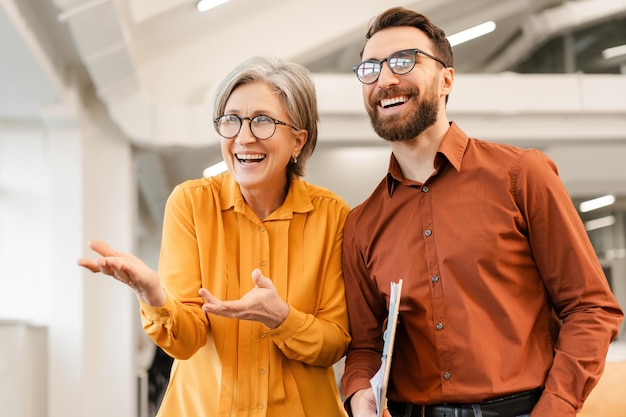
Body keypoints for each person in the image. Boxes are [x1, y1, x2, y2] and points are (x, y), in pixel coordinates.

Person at [340, 7, 624, 417]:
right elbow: (364, 346)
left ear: (446, 79)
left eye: (403, 61)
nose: (385, 79)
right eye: (370, 68)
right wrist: (357, 393)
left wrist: (555, 408)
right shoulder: (361, 224)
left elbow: (591, 309)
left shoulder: (521, 175)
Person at [78, 56, 351, 417]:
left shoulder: (333, 215)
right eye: (231, 120)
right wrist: (154, 294)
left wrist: (282, 318)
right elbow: (186, 339)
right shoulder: (191, 203)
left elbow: (335, 342)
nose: (244, 137)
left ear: (298, 141)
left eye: (263, 121)